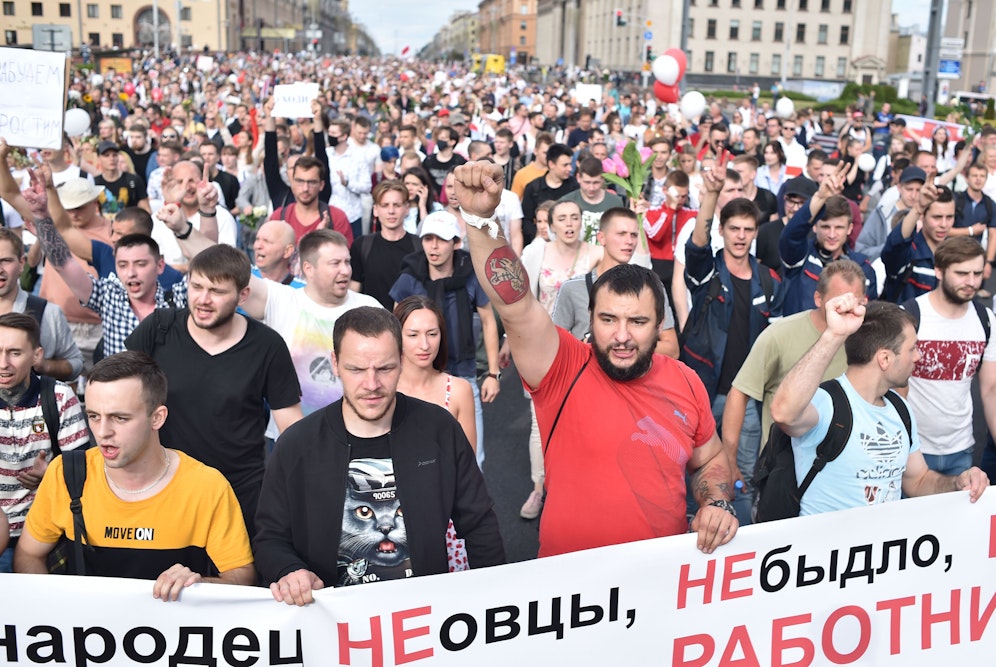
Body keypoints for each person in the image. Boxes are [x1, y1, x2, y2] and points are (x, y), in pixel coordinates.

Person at [456, 161, 738, 557]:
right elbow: (515, 302)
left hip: (661, 584)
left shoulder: (685, 380)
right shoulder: (562, 367)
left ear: (661, 324)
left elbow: (709, 460)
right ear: (590, 320)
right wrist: (482, 219)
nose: (621, 336)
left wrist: (716, 502)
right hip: (572, 596)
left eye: (637, 321)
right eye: (608, 319)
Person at [254, 307, 505, 602]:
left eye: (384, 369)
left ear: (401, 361)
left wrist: (495, 598)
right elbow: (269, 537)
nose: (371, 385)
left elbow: (479, 523)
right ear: (334, 363)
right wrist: (290, 569)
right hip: (331, 623)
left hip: (424, 615)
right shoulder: (297, 445)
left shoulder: (439, 429)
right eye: (357, 369)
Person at [15, 352, 256, 598]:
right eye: (94, 416)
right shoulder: (65, 473)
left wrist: (199, 585)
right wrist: (56, 612)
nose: (102, 432)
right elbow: (28, 555)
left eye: (120, 418)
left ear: (157, 417)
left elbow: (242, 575)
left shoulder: (206, 486)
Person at [125, 244, 303, 537]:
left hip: (238, 494)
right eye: (196, 287)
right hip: (163, 488)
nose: (203, 300)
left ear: (242, 295)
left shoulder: (267, 346)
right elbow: (119, 395)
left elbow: (292, 427)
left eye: (217, 291)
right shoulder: (160, 329)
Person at [770, 298, 989, 516]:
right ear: (884, 358)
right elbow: (783, 413)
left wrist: (958, 482)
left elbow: (918, 481)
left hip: (880, 549)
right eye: (912, 349)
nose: (918, 357)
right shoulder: (827, 402)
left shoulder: (900, 408)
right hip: (823, 548)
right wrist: (834, 334)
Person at [721, 260, 868, 524]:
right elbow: (739, 392)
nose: (845, 308)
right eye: (837, 301)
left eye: (853, 301)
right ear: (817, 298)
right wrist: (729, 461)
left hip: (848, 476)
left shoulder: (867, 342)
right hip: (784, 475)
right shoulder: (780, 334)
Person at [390, 211, 502, 467]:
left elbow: (488, 321)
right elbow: (394, 328)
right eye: (428, 239)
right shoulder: (410, 277)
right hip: (415, 377)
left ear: (456, 242)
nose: (434, 246)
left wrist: (494, 374)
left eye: (441, 239)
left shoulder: (470, 275)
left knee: (473, 458)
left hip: (463, 373)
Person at [0, 314, 89, 572]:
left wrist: (52, 474)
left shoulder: (59, 397)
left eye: (15, 353)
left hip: (46, 537)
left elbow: (83, 471)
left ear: (36, 355)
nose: (4, 363)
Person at [394, 296, 477, 571]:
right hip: (390, 517)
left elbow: (468, 469)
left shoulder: (459, 390)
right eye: (413, 334)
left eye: (432, 333)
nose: (425, 344)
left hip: (445, 517)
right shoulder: (381, 392)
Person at [902, 237, 996, 476]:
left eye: (977, 273)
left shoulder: (986, 320)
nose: (972, 282)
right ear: (939, 271)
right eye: (962, 273)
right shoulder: (910, 315)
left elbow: (990, 390)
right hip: (911, 449)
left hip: (962, 449)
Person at [780, 163, 878, 314]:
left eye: (839, 228)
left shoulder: (863, 267)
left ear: (850, 229)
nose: (832, 235)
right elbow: (791, 236)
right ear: (814, 226)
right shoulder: (801, 257)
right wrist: (820, 197)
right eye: (826, 227)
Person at [350, 181, 421, 309]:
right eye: (385, 205)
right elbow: (353, 290)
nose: (391, 211)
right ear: (376, 210)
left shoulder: (419, 246)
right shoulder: (361, 246)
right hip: (370, 323)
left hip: (409, 324)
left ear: (406, 208)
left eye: (397, 205)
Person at [882, 182, 955, 303]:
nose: (944, 224)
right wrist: (918, 207)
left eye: (949, 217)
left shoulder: (956, 254)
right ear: (922, 216)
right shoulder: (909, 252)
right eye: (937, 217)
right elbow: (894, 248)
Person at [520, 144, 579, 244]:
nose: (569, 168)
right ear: (551, 164)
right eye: (565, 165)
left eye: (570, 164)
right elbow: (527, 220)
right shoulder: (533, 188)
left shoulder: (574, 186)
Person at [558, 157, 626, 243]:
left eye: (596, 183)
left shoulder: (615, 202)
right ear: (579, 178)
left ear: (603, 179)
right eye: (587, 182)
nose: (591, 188)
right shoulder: (566, 202)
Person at [94, 141, 150, 215]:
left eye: (114, 155)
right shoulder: (95, 183)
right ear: (99, 158)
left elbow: (146, 210)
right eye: (106, 155)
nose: (111, 159)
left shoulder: (133, 180)